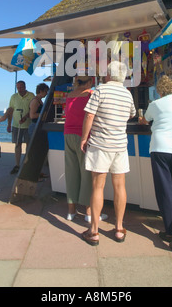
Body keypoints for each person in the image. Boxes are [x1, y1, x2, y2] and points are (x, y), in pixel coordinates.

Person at [80, 61, 136, 245]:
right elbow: (131, 114)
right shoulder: (128, 94)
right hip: (120, 146)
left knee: (98, 186)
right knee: (120, 186)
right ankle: (119, 229)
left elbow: (89, 115)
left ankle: (94, 231)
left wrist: (83, 138)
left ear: (109, 75)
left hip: (100, 145)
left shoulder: (100, 90)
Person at [139, 75, 172, 252]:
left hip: (160, 148)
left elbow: (145, 120)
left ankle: (170, 231)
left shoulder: (155, 104)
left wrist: (142, 120)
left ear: (160, 91)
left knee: (164, 190)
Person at [64, 76, 108, 223]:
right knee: (87, 174)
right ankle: (89, 213)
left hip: (67, 134)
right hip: (82, 136)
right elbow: (91, 115)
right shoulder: (90, 94)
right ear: (89, 82)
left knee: (71, 172)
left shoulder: (69, 95)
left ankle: (71, 212)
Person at [7, 80, 35, 174]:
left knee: (28, 144)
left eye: (21, 87)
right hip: (16, 125)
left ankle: (26, 164)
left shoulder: (31, 95)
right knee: (17, 145)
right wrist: (9, 124)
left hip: (28, 125)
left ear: (25, 86)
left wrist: (26, 117)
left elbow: (33, 108)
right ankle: (17, 165)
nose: (20, 89)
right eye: (18, 87)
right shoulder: (13, 97)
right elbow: (10, 111)